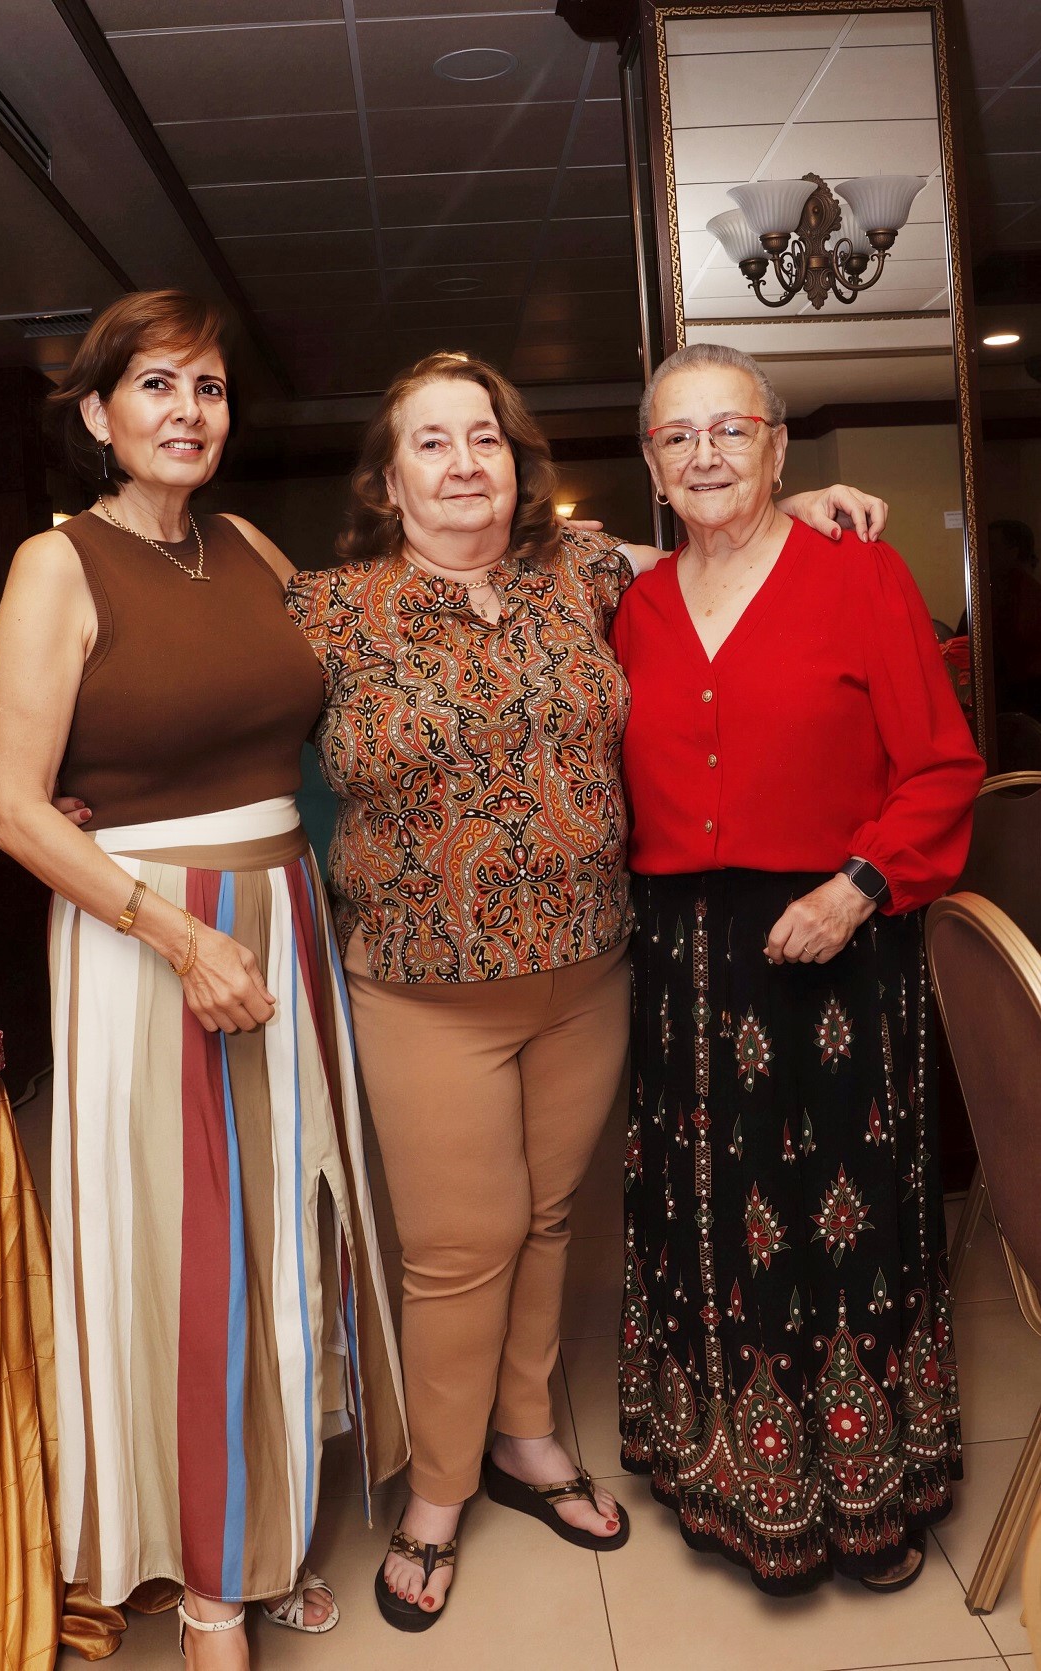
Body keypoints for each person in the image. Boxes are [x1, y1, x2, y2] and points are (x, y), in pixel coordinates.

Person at [280, 349, 890, 1629]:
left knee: (551, 1219)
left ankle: (523, 1436)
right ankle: (437, 1492)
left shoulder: (588, 573)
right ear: (387, 481)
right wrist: (112, 806)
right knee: (460, 1248)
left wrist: (801, 496)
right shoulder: (321, 611)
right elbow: (205, 711)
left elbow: (728, 549)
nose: (464, 464)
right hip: (427, 986)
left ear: (518, 467)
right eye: (432, 443)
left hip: (590, 967)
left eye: (485, 440)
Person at [0, 290, 407, 1668]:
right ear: (98, 414)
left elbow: (412, 609)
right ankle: (209, 1580)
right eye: (155, 384)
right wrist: (177, 934)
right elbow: (10, 805)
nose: (186, 410)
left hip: (282, 920)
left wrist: (734, 523)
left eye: (209, 387)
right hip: (149, 943)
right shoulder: (57, 563)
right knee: (184, 1247)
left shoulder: (248, 547)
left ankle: (266, 1517)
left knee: (288, 1229)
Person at [611, 341, 985, 1596]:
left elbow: (941, 766)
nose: (706, 454)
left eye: (732, 429)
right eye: (678, 436)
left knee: (847, 1218)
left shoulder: (857, 571)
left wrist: (858, 885)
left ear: (777, 446)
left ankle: (869, 1491)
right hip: (682, 953)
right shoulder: (634, 605)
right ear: (652, 465)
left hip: (839, 936)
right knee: (703, 1216)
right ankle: (723, 1472)